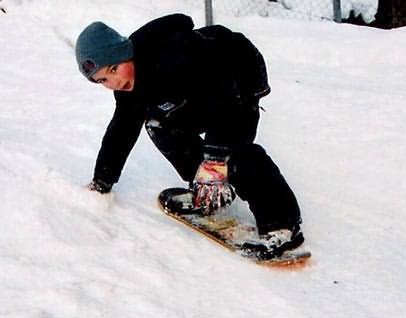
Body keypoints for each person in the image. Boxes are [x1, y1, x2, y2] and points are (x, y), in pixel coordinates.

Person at [75, 13, 304, 259]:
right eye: (102, 80)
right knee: (159, 125)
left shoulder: (175, 55)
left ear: (125, 54)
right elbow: (121, 130)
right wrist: (102, 180)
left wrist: (215, 160)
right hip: (197, 94)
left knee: (234, 149)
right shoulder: (129, 88)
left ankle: (283, 227)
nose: (113, 82)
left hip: (238, 78)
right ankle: (209, 193)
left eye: (114, 69)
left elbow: (224, 98)